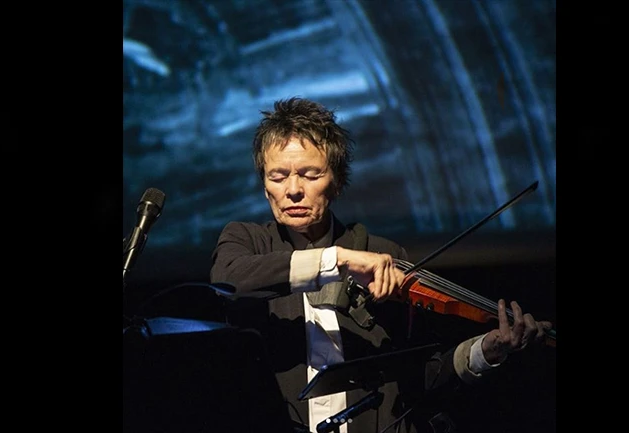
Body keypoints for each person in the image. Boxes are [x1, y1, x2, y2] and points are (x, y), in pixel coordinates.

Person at [210, 97, 554, 433]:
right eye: (278, 176)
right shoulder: (247, 241)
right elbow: (228, 281)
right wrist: (339, 259)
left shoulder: (384, 254)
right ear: (264, 185)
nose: (293, 190)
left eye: (311, 174)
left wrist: (486, 350)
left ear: (338, 182)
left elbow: (424, 374)